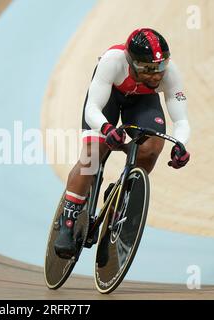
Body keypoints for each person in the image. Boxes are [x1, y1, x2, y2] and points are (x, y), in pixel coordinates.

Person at [54, 28, 191, 259]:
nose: (156, 75)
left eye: (160, 67)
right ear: (132, 62)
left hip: (141, 102)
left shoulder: (170, 72)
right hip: (109, 100)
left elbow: (181, 119)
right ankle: (68, 220)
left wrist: (181, 144)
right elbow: (92, 109)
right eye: (148, 69)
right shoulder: (112, 61)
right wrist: (107, 129)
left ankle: (121, 191)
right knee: (92, 156)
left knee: (152, 147)